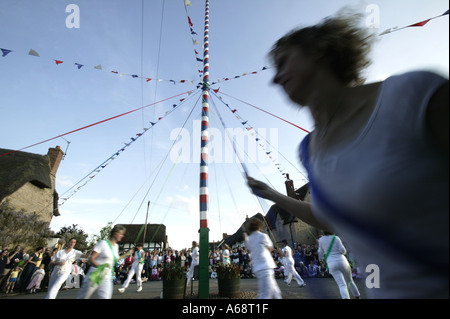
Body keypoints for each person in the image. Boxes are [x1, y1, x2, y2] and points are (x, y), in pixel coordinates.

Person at [247, 9, 449, 299]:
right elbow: (328, 219)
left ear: (318, 51)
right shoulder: (308, 150)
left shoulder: (410, 95)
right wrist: (272, 194)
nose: (275, 79)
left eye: (283, 62)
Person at [78, 224, 129, 299]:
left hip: (107, 275)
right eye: (121, 234)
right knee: (83, 297)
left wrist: (126, 254)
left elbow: (115, 260)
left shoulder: (116, 247)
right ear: (115, 234)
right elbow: (91, 259)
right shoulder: (103, 243)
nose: (122, 236)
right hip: (95, 274)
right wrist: (100, 266)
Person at [244, 218, 281, 299]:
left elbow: (249, 248)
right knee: (265, 295)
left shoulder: (249, 240)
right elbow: (271, 247)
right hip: (265, 267)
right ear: (259, 227)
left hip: (258, 268)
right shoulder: (263, 236)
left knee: (276, 293)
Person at [318, 232, 360, 299]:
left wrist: (322, 259)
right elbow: (343, 251)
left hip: (331, 263)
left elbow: (320, 253)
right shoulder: (336, 238)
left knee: (341, 284)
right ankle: (357, 296)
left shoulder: (321, 239)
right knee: (350, 281)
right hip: (342, 261)